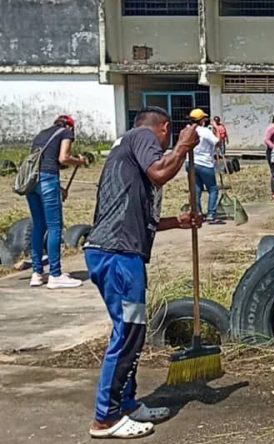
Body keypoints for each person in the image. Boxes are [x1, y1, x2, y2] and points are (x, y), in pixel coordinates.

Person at [83, 106, 202, 439]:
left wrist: (176, 223)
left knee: (131, 332)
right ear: (163, 129)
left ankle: (127, 405)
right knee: (129, 333)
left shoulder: (127, 161)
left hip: (119, 253)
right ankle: (105, 419)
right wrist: (182, 146)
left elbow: (142, 220)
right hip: (118, 256)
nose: (161, 147)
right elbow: (160, 172)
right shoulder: (142, 136)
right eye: (165, 139)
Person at [26, 115, 86, 289]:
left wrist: (59, 189)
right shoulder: (66, 132)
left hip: (33, 182)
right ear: (70, 127)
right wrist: (79, 161)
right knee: (54, 227)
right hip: (47, 180)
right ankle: (55, 275)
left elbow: (42, 164)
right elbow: (63, 158)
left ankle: (37, 273)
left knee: (39, 226)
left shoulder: (41, 135)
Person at [186, 109, 224, 224]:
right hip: (204, 163)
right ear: (201, 120)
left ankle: (197, 213)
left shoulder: (187, 130)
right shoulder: (204, 131)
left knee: (196, 189)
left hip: (190, 162)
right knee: (213, 189)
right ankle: (211, 215)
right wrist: (216, 128)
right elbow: (218, 142)